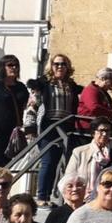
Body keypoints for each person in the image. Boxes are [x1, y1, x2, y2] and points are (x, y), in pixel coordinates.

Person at [26, 54, 82, 206]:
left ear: (67, 67)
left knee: (63, 163)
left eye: (63, 64)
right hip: (49, 127)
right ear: (51, 66)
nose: (59, 67)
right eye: (56, 64)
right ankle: (42, 196)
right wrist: (30, 127)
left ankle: (56, 197)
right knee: (48, 161)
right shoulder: (43, 84)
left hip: (66, 127)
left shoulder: (71, 85)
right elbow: (32, 106)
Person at [0, 54, 29, 169]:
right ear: (3, 67)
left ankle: (0, 185)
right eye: (10, 65)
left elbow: (25, 104)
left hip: (13, 132)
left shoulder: (21, 87)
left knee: (6, 163)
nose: (14, 68)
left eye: (16, 65)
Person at [63, 117, 112, 201]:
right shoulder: (80, 152)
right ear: (93, 132)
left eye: (107, 131)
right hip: (82, 199)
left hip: (105, 199)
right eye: (101, 130)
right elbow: (68, 179)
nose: (104, 134)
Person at [77, 68, 112, 132]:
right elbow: (94, 107)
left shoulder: (102, 91)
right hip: (88, 128)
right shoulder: (90, 90)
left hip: (100, 127)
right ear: (103, 79)